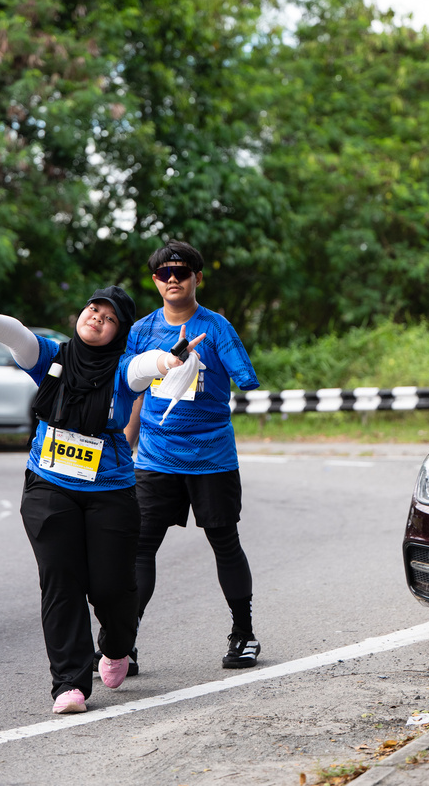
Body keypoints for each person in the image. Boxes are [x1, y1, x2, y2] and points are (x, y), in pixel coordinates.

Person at [0, 274, 203, 714]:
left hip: (111, 492)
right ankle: (69, 683)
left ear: (119, 332)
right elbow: (19, 336)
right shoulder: (53, 357)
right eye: (93, 310)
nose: (97, 319)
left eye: (109, 319)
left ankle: (117, 647)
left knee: (112, 588)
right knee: (60, 582)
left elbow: (146, 367)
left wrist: (169, 360)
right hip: (48, 486)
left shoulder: (123, 370)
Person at [122, 240, 261, 672]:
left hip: (211, 456)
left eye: (182, 272)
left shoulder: (217, 327)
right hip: (155, 458)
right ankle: (123, 644)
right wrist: (124, 442)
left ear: (197, 278)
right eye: (165, 273)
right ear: (155, 281)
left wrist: (202, 361)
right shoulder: (141, 331)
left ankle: (244, 634)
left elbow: (246, 379)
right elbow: (131, 389)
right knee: (140, 547)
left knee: (224, 542)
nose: (173, 279)